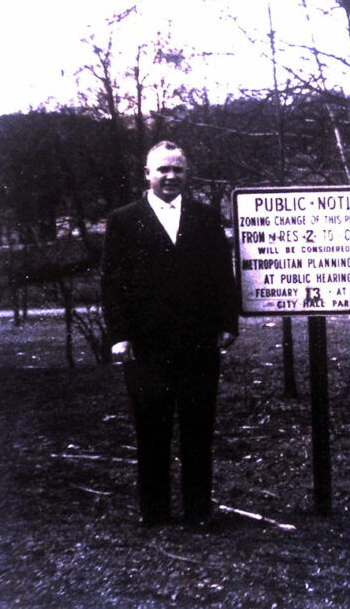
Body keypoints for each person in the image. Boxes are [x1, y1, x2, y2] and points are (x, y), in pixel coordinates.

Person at [101, 140, 240, 528]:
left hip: (198, 344)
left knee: (198, 428)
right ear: (147, 174)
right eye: (162, 169)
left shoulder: (205, 217)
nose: (170, 177)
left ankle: (198, 511)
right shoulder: (124, 220)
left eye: (177, 169)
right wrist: (119, 335)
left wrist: (228, 323)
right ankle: (155, 511)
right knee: (151, 429)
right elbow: (112, 283)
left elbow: (221, 275)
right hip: (146, 346)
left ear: (186, 173)